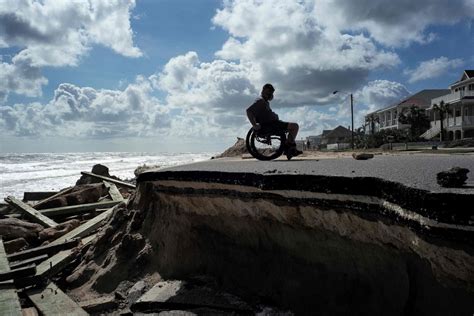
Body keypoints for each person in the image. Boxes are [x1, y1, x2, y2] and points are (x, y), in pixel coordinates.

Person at [246, 83, 302, 159]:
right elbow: (248, 111)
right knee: (295, 126)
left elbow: (264, 116)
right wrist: (254, 125)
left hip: (272, 124)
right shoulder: (260, 101)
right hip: (272, 125)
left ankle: (290, 148)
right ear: (264, 90)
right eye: (269, 92)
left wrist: (268, 136)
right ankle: (288, 147)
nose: (271, 94)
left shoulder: (265, 102)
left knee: (291, 129)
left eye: (271, 92)